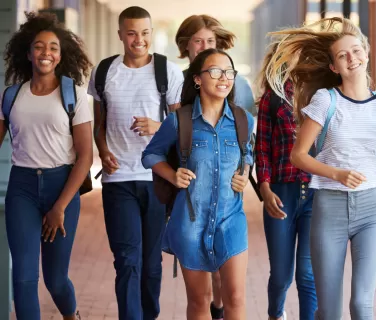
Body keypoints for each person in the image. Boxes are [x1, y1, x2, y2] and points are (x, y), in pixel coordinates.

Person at [265, 17, 376, 319]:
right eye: (343, 55)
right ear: (334, 67)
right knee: (329, 310)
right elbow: (298, 155)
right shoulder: (325, 100)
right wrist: (337, 174)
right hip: (330, 208)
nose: (352, 58)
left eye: (356, 51)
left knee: (361, 305)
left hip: (372, 209)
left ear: (366, 53)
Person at [142, 48, 254, 320]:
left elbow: (247, 152)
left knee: (236, 297)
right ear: (197, 79)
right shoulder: (179, 121)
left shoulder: (243, 120)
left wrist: (244, 172)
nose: (224, 78)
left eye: (229, 72)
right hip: (190, 221)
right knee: (199, 300)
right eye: (215, 71)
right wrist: (172, 175)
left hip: (231, 218)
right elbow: (151, 155)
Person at [87, 6, 184, 320]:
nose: (138, 39)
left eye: (144, 32)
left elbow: (182, 126)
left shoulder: (166, 71)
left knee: (151, 263)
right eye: (131, 33)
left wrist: (158, 127)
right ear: (120, 35)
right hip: (117, 180)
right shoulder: (104, 72)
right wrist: (102, 151)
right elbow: (98, 124)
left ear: (151, 33)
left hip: (156, 178)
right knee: (127, 259)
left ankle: (148, 314)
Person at [1, 12, 93, 320]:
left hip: (62, 187)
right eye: (39, 47)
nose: (46, 53)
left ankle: (71, 315)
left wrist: (60, 207)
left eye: (53, 47)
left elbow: (85, 157)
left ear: (60, 54)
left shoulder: (75, 96)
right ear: (28, 53)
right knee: (24, 277)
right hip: (22, 189)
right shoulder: (12, 96)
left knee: (55, 280)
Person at [175, 14, 255, 319]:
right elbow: (165, 145)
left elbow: (245, 139)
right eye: (198, 41)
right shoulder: (176, 84)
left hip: (228, 206)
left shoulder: (237, 86)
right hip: (190, 201)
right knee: (200, 293)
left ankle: (218, 311)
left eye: (210, 41)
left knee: (228, 286)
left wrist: (244, 170)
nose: (204, 46)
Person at [255, 43, 317, 320]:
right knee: (281, 275)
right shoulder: (273, 97)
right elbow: (262, 148)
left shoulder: (322, 94)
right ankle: (275, 315)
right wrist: (265, 188)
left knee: (307, 274)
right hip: (281, 192)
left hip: (316, 193)